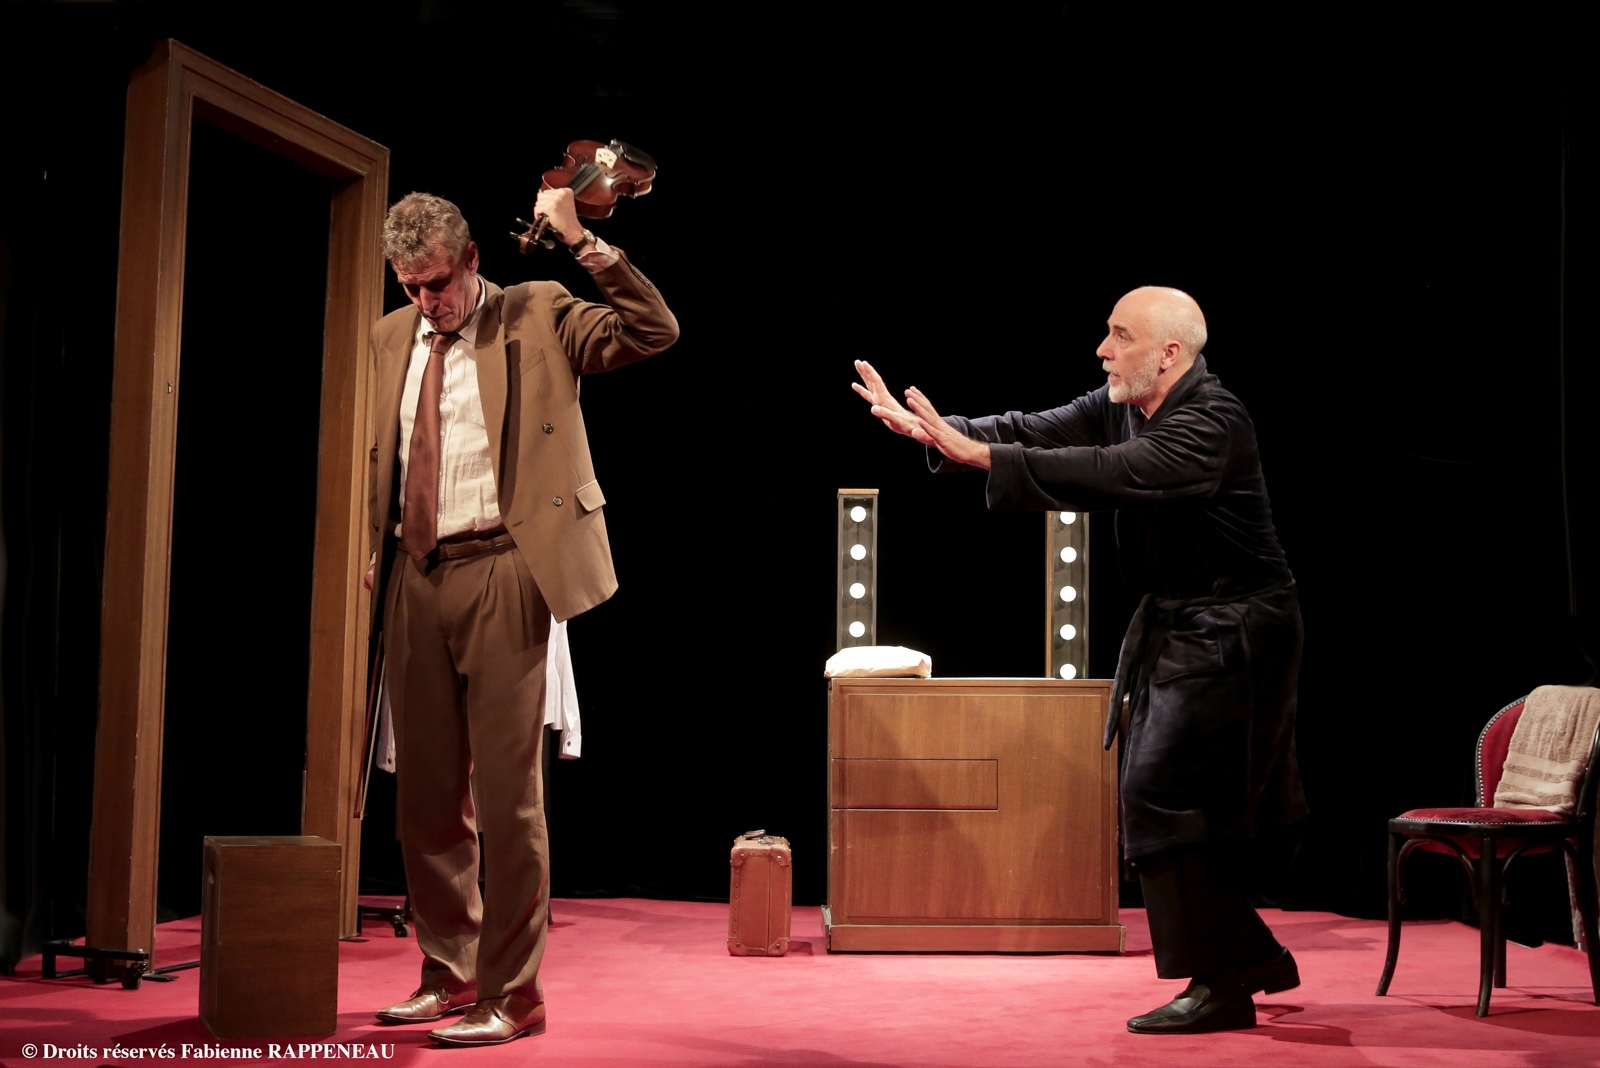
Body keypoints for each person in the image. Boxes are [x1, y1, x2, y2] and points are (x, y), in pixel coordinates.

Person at [853, 286, 1307, 1035]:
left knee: (1162, 794)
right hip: (1183, 623)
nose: (1103, 349)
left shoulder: (1212, 419)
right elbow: (1035, 429)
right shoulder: (1124, 403)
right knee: (1166, 798)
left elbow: (1113, 471)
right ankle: (1248, 958)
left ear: (1169, 353)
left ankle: (1225, 982)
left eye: (1120, 335)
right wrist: (942, 432)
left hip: (1237, 629)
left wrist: (983, 456)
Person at [365, 189, 677, 1045]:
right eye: (410, 286)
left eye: (438, 283)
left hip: (505, 566)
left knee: (508, 800)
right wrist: (370, 544)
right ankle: (448, 969)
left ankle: (514, 993)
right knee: (426, 798)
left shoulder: (535, 311)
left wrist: (582, 240)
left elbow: (652, 330)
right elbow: (381, 452)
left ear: (471, 259)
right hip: (416, 571)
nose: (427, 302)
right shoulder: (390, 336)